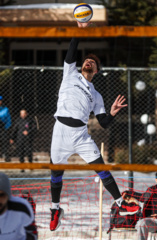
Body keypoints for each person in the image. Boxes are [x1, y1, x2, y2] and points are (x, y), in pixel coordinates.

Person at [49, 21, 136, 231]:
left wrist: (112, 113)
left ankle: (120, 203)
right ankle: (54, 209)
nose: (88, 62)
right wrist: (80, 30)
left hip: (80, 134)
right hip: (60, 130)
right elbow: (72, 51)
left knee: (102, 169)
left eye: (92, 62)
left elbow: (104, 123)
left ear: (96, 70)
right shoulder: (70, 73)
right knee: (55, 175)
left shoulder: (96, 95)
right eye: (86, 60)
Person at [133, 171, 157, 240]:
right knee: (142, 223)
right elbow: (142, 197)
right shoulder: (151, 190)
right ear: (156, 180)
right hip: (153, 221)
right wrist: (129, 193)